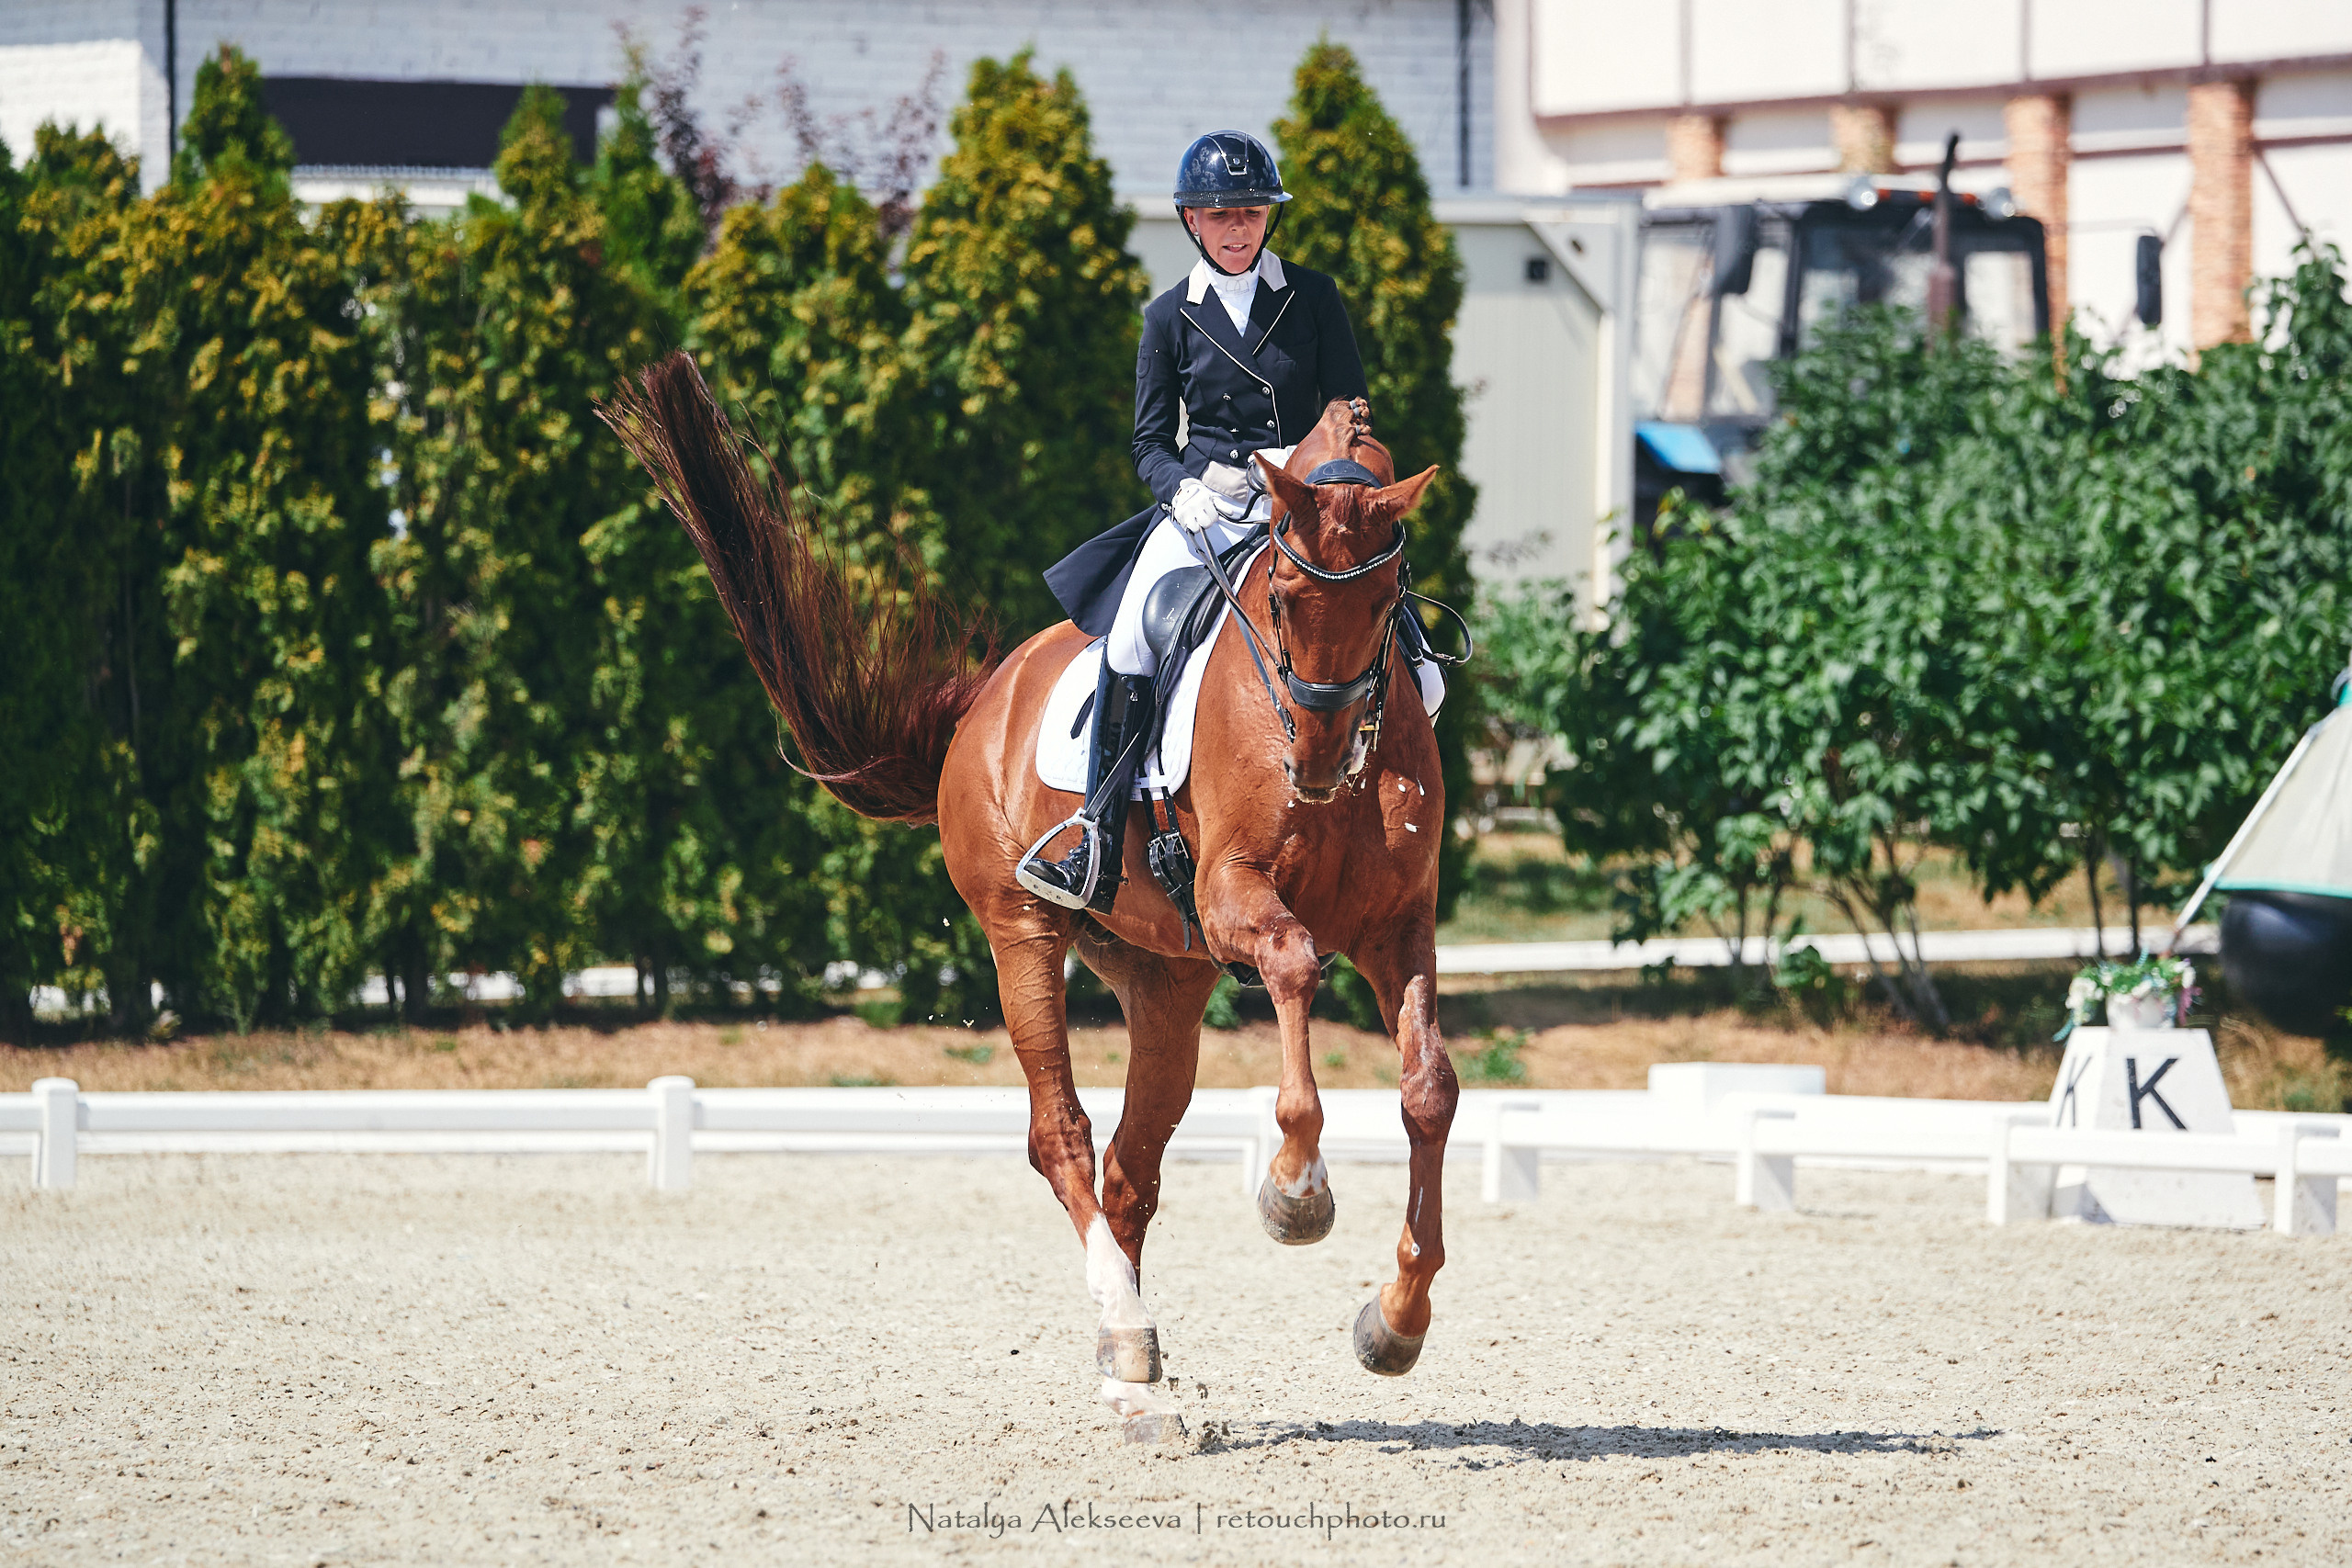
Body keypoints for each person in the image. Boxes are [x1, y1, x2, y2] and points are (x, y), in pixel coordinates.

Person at [1021, 130, 1372, 913]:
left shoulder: (1312, 298)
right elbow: (1149, 440)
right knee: (1130, 637)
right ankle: (1098, 834)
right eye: (1220, 215)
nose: (1237, 227)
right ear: (1190, 220)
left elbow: (1351, 406)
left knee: (1382, 617)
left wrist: (1308, 461)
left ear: (1268, 218)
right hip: (1207, 504)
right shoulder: (1168, 317)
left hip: (1302, 500)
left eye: (1250, 212)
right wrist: (1180, 490)